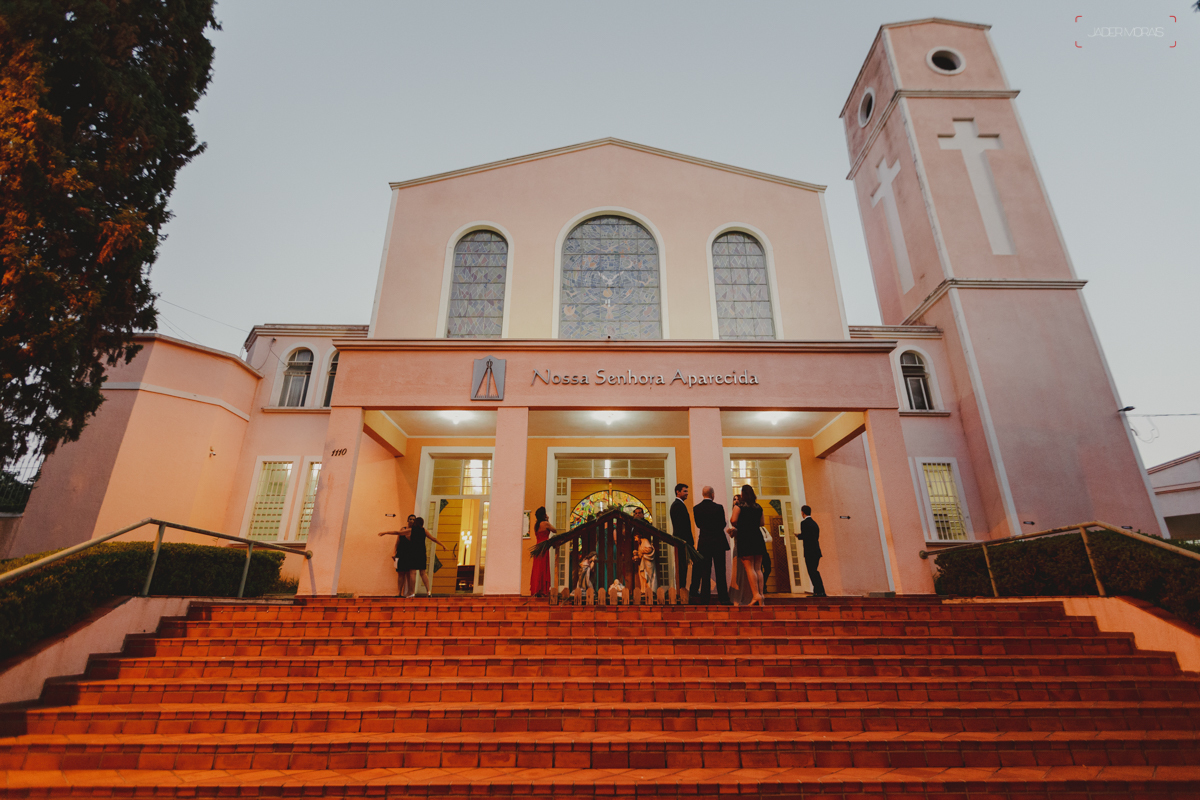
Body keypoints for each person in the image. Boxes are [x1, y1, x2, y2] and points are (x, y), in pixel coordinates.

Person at [727, 484, 766, 606]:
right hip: (757, 536)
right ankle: (762, 595)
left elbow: (733, 520)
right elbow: (762, 523)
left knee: (749, 567)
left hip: (745, 537)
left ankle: (756, 595)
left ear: (743, 494)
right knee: (758, 568)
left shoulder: (739, 506)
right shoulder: (758, 507)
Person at [691, 486, 730, 605]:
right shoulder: (718, 507)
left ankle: (705, 598)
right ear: (712, 494)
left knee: (705, 571)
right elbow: (723, 523)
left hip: (704, 542)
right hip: (718, 541)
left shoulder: (696, 508)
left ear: (703, 494)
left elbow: (698, 525)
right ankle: (723, 598)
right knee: (720, 570)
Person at [670, 483, 700, 604]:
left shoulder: (678, 505)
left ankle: (686, 588)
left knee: (685, 565)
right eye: (685, 491)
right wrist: (687, 542)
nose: (687, 493)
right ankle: (685, 589)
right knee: (686, 565)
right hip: (683, 541)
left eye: (687, 491)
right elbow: (681, 526)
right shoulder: (677, 505)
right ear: (678, 492)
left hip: (684, 541)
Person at [796, 505, 826, 597]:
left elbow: (806, 536)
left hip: (809, 551)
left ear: (802, 512)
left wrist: (799, 536)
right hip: (816, 550)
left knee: (812, 571)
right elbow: (814, 536)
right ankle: (817, 590)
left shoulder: (804, 523)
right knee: (814, 571)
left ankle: (820, 591)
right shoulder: (815, 523)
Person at [529, 506, 556, 596]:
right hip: (544, 548)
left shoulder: (536, 525)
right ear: (543, 514)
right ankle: (543, 590)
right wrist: (547, 520)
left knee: (537, 568)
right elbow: (554, 530)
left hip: (538, 547)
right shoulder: (545, 523)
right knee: (543, 567)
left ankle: (536, 589)